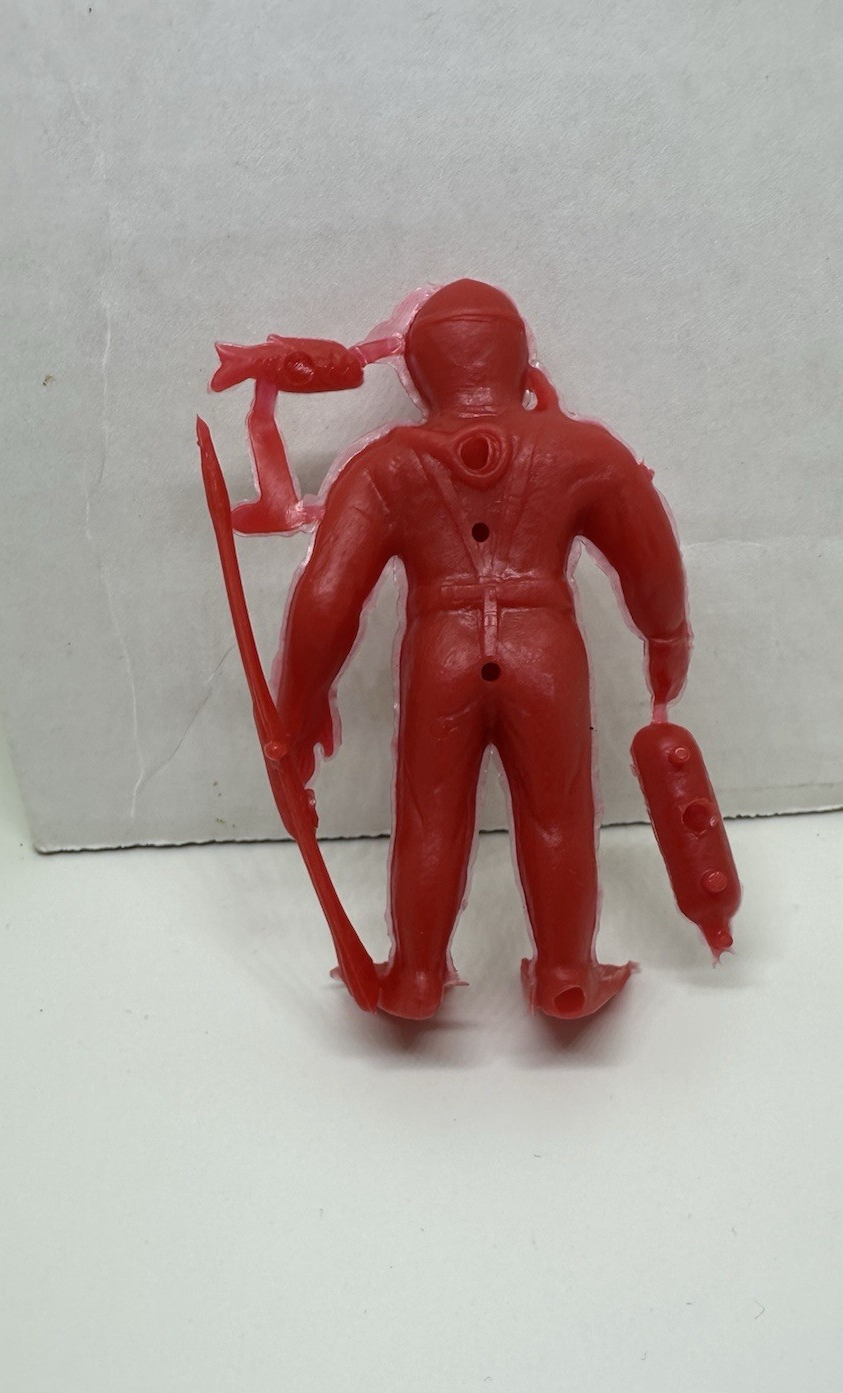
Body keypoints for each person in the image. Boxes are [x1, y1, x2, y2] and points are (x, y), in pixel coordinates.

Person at [274, 279, 690, 1019]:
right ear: (518, 360)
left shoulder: (387, 466)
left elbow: (326, 599)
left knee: (430, 817)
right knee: (557, 814)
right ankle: (567, 974)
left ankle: (415, 976)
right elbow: (650, 559)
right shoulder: (580, 451)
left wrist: (300, 704)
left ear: (421, 368)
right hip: (545, 650)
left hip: (442, 649)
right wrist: (667, 635)